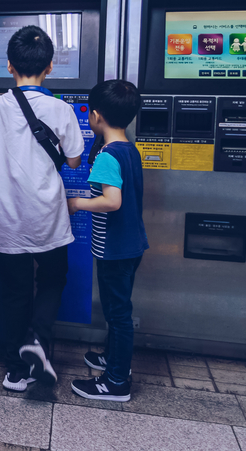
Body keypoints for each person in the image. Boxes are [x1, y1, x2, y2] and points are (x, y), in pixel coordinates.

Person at [0, 25, 84, 392]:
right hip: (48, 216)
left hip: (8, 216)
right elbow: (72, 161)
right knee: (54, 278)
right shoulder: (61, 109)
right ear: (50, 67)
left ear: (9, 65)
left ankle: (15, 370)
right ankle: (38, 339)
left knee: (14, 291)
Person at [68, 80, 148, 402]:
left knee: (118, 314)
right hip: (129, 244)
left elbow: (111, 201)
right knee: (118, 309)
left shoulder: (106, 156)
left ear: (96, 116)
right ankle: (113, 358)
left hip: (115, 248)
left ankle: (116, 381)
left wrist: (77, 203)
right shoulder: (128, 149)